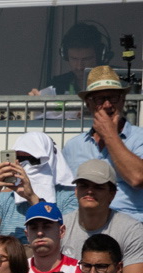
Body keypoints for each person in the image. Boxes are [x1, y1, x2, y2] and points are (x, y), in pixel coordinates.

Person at [61, 67, 143, 224]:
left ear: (123, 101)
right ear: (88, 104)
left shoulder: (139, 138)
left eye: (113, 98)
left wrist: (110, 135)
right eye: (99, 99)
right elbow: (65, 194)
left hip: (132, 224)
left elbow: (138, 178)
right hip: (86, 226)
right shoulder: (73, 146)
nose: (107, 105)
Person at [0, 135, 77, 248]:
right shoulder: (4, 198)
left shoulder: (68, 198)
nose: (26, 166)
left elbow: (66, 241)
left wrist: (32, 198)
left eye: (34, 160)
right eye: (20, 159)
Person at [61, 162, 143, 273]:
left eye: (98, 187)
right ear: (76, 191)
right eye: (84, 186)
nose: (90, 191)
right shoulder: (60, 226)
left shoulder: (132, 231)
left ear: (112, 194)